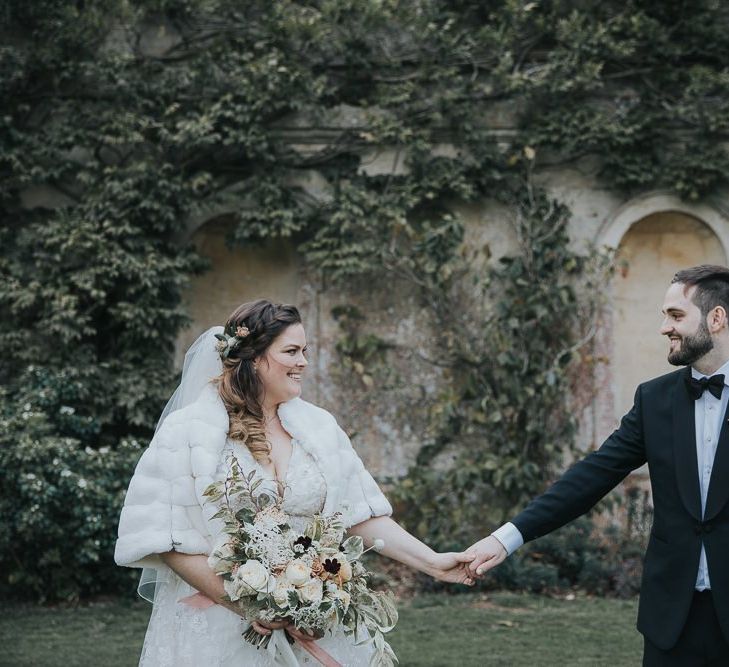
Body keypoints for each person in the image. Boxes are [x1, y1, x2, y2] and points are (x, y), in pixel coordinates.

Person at [115, 299, 474, 666]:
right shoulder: (188, 432)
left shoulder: (319, 429)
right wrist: (251, 605)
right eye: (291, 351)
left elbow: (360, 513)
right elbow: (168, 539)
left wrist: (432, 562)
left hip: (314, 623)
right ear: (253, 357)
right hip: (219, 629)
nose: (303, 361)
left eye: (305, 350)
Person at [467, 264, 729, 666]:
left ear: (716, 318)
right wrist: (506, 538)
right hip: (672, 621)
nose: (664, 327)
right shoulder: (654, 400)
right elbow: (592, 476)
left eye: (676, 315)